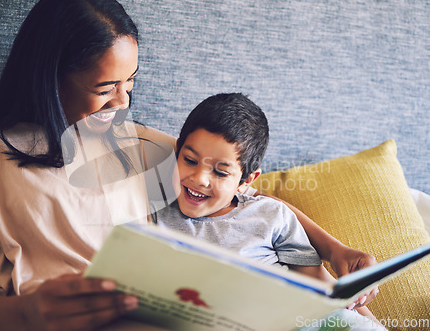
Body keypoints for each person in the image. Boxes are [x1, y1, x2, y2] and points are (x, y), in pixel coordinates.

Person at [0, 0, 376, 330]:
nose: (123, 101)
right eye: (106, 87)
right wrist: (24, 312)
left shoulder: (140, 143)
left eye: (131, 82)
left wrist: (337, 250)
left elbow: (245, 197)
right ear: (51, 77)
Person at [154, 93, 384, 330]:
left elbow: (320, 285)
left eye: (221, 173)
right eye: (190, 160)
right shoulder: (154, 215)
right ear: (177, 151)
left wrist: (359, 306)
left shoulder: (270, 214)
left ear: (246, 181)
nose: (199, 179)